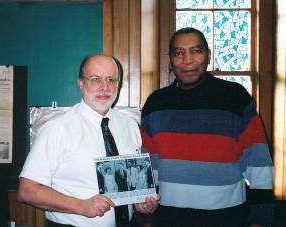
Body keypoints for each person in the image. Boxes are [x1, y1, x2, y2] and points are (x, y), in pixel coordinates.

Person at [140, 27, 274, 227]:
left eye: (196, 51)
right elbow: (148, 170)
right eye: (178, 53)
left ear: (208, 55)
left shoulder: (236, 97)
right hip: (168, 220)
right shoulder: (155, 104)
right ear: (170, 59)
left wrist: (260, 220)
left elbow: (259, 166)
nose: (187, 60)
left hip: (228, 220)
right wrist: (146, 220)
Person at [18, 54, 159, 227]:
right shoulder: (57, 128)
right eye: (95, 79)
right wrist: (81, 206)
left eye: (111, 80)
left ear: (118, 84)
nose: (104, 87)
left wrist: (140, 204)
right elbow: (27, 191)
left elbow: (130, 185)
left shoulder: (130, 126)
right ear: (81, 83)